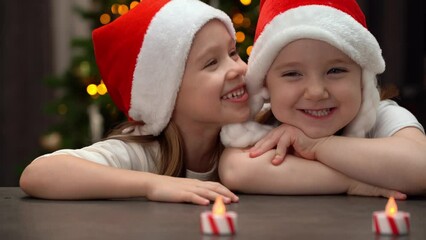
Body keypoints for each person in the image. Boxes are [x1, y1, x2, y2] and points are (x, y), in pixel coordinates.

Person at [19, 0, 250, 205]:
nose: (238, 68)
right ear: (165, 92)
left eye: (233, 53)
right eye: (211, 63)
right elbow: (38, 174)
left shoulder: (258, 130)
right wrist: (153, 184)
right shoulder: (144, 152)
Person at [219, 0, 426, 197]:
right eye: (293, 74)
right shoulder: (264, 122)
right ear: (265, 85)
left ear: (363, 78)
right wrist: (352, 182)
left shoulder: (382, 115)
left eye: (335, 70)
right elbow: (235, 169)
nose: (316, 92)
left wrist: (316, 145)